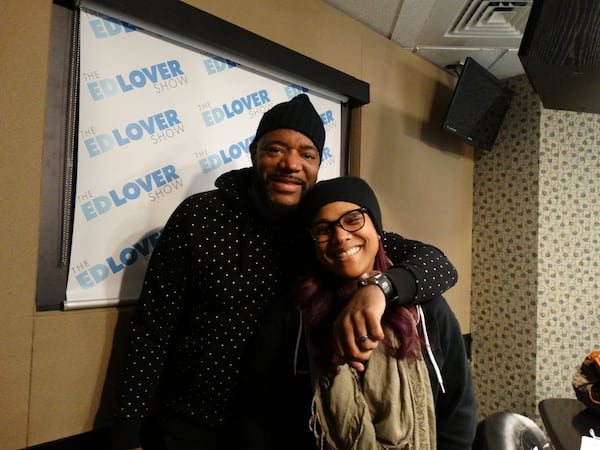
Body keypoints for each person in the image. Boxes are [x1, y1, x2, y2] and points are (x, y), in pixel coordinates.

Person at [111, 94, 459, 450]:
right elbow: (152, 328)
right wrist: (127, 430)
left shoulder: (322, 228)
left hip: (281, 425)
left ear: (318, 165)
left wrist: (379, 289)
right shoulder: (198, 217)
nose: (291, 164)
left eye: (307, 154)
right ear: (254, 153)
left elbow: (436, 263)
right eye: (276, 149)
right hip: (189, 423)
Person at [239, 176, 477, 450]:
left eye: (353, 220)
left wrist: (377, 290)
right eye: (324, 229)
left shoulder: (427, 310)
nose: (341, 236)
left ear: (377, 230)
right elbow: (257, 410)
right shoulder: (293, 314)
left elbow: (458, 410)